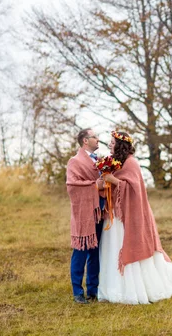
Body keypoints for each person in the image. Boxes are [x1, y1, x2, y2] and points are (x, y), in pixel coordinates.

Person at [98, 131, 172, 304]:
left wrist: (114, 180)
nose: (109, 144)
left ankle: (135, 288)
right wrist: (105, 182)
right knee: (112, 247)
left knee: (124, 245)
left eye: (112, 142)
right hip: (114, 213)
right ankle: (113, 288)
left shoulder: (131, 163)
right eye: (110, 142)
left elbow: (135, 189)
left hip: (127, 215)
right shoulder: (113, 162)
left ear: (121, 144)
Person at [66, 128, 106, 304]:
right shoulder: (74, 162)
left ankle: (93, 290)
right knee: (80, 252)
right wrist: (94, 186)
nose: (98, 139)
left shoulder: (100, 160)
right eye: (94, 137)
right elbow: (72, 185)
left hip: (99, 211)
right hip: (84, 214)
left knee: (95, 252)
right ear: (85, 140)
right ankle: (77, 292)